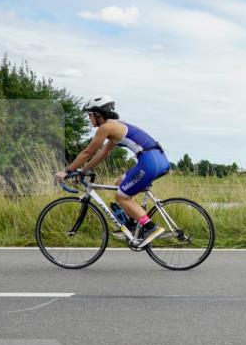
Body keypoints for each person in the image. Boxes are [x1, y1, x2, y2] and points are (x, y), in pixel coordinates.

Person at [55, 95, 170, 247]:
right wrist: (84, 170)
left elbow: (87, 152)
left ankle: (150, 227)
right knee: (119, 183)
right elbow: (103, 152)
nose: (89, 118)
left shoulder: (106, 128)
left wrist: (66, 171)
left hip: (150, 162)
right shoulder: (115, 126)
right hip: (157, 159)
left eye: (90, 115)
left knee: (122, 197)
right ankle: (132, 224)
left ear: (98, 114)